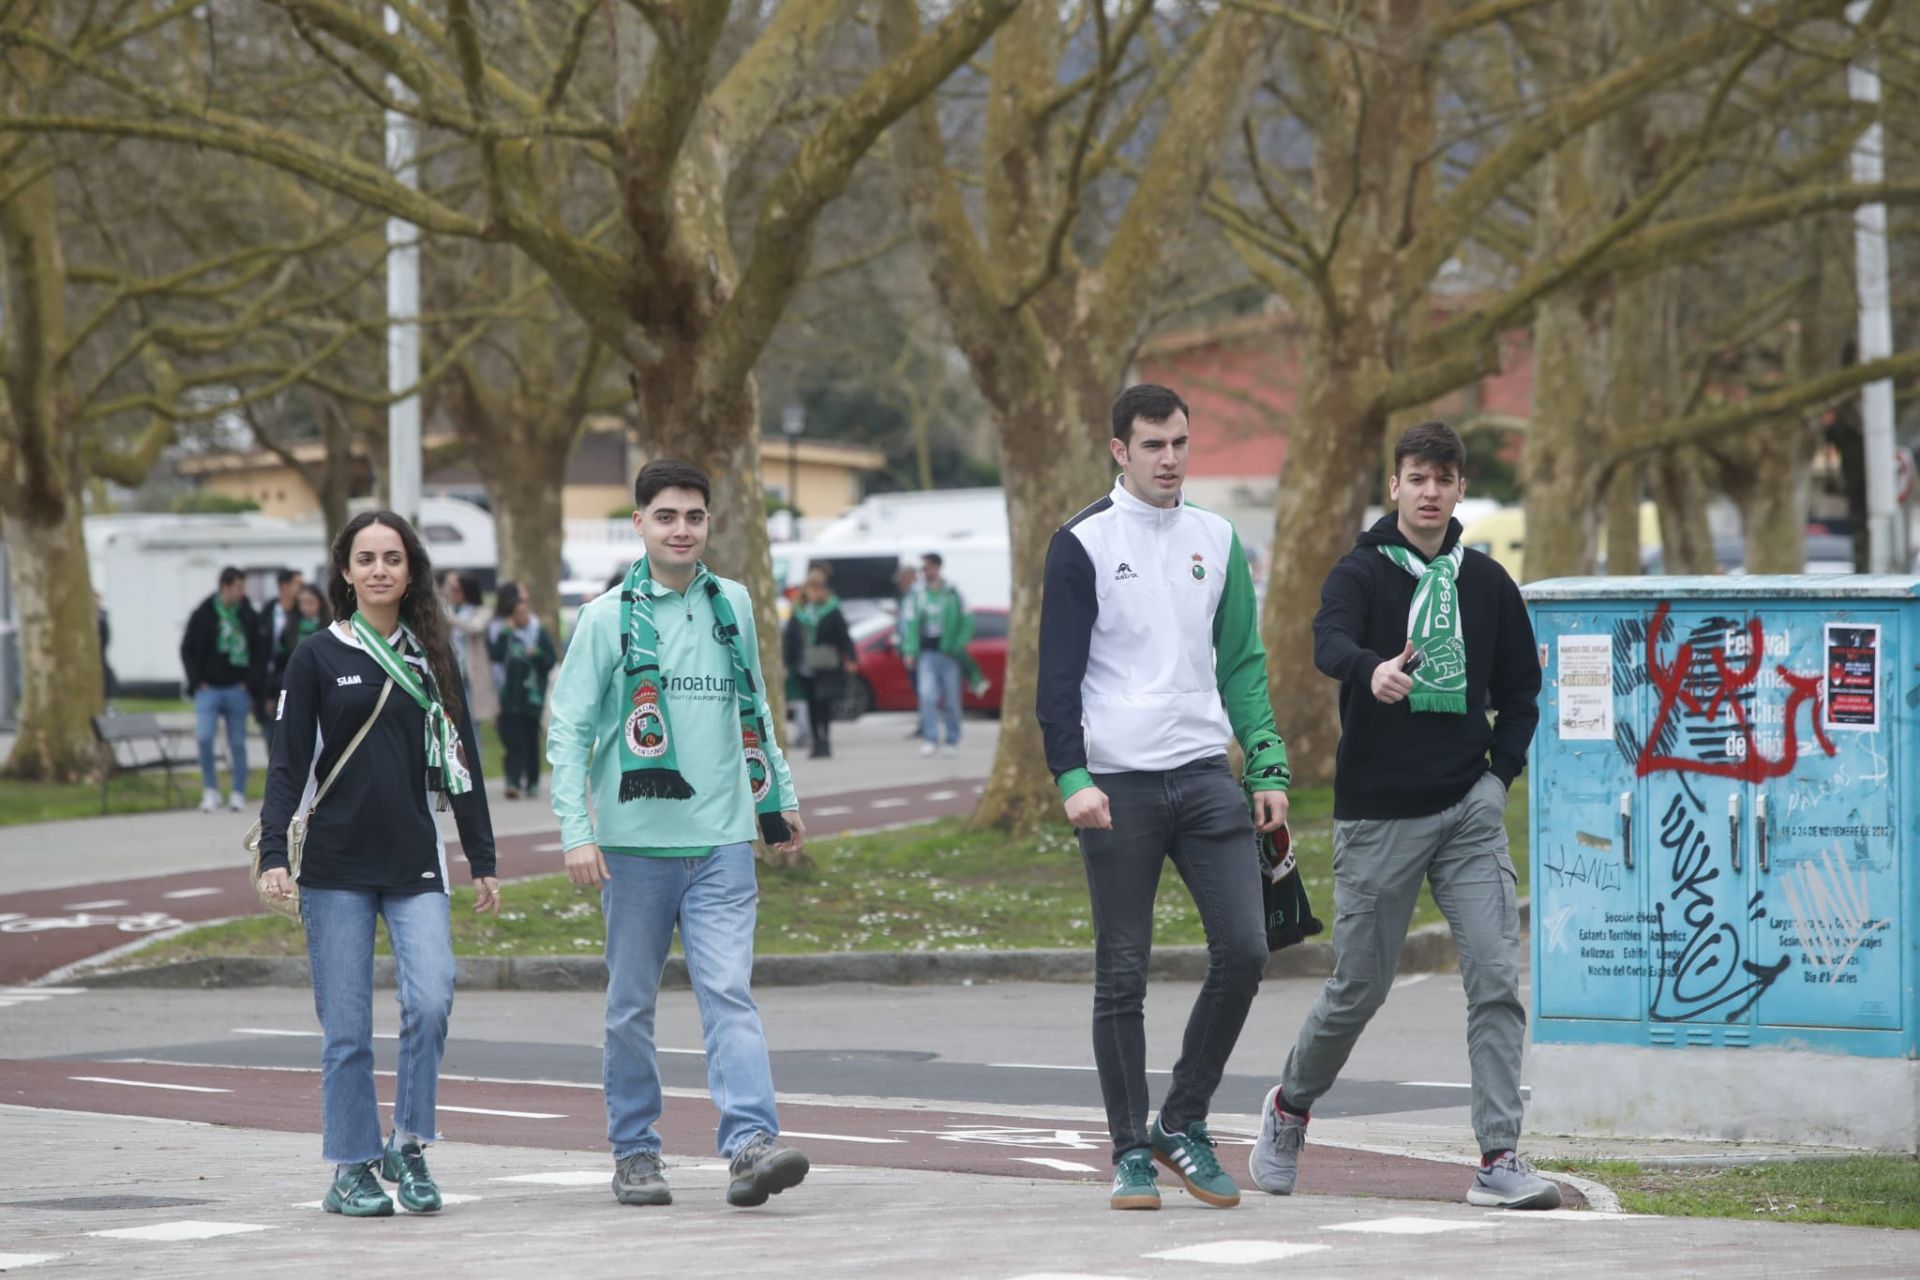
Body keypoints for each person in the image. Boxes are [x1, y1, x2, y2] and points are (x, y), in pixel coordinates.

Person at [1248, 420, 1552, 1210]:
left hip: (1469, 811)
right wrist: (1369, 669)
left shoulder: (1486, 584)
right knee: (1360, 986)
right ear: (1395, 486)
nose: (1428, 491)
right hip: (1378, 816)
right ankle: (1289, 1107)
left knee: (1493, 977)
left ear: (1459, 489)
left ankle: (1499, 1156)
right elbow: (1326, 640)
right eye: (1415, 476)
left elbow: (1521, 693)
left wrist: (1499, 779)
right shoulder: (1363, 572)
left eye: (1443, 479)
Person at [1037, 384, 1291, 1212]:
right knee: (1123, 974)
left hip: (1203, 775)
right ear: (1119, 450)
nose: (1171, 459)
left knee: (1247, 951)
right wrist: (1071, 777)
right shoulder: (1080, 542)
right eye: (1153, 445)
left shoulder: (1216, 539)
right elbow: (1056, 681)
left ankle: (1181, 1121)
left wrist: (1267, 766)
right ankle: (1129, 1152)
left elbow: (1243, 665)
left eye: (1180, 442)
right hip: (1116, 786)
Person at [548, 458, 810, 1210]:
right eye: (666, 516)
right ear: (639, 524)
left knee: (728, 993)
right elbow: (567, 735)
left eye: (694, 516)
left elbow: (754, 707)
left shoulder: (733, 602)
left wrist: (779, 800)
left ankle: (750, 1145)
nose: (682, 529)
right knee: (630, 1005)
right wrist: (576, 833)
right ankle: (634, 1151)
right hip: (632, 850)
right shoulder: (604, 618)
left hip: (723, 841)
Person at [256, 510, 499, 1218]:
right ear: (345, 571)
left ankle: (410, 1143)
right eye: (366, 558)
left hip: (415, 862)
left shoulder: (433, 657)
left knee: (431, 999)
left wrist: (482, 857)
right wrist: (275, 854)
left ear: (410, 569)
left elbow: (465, 768)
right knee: (348, 1030)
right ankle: (352, 1167)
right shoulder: (315, 657)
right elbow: (287, 766)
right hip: (333, 867)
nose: (381, 570)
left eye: (393, 558)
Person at [180, 566, 262, 813]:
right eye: (238, 587)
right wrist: (196, 681)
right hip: (209, 688)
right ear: (225, 586)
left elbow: (259, 649)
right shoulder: (204, 613)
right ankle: (210, 790)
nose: (242, 593)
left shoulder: (247, 614)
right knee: (204, 738)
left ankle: (238, 792)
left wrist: (249, 682)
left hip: (237, 688)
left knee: (237, 743)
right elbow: (187, 648)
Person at [900, 552, 975, 757]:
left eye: (927, 568)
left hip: (949, 654)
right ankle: (930, 738)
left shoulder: (952, 591)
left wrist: (959, 644)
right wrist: (910, 650)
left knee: (951, 699)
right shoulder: (917, 593)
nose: (924, 572)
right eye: (923, 569)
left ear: (937, 567)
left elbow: (967, 619)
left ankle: (952, 739)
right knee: (926, 696)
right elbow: (910, 622)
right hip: (927, 653)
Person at [782, 566, 856, 758]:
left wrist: (850, 657)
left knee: (824, 704)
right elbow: (790, 637)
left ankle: (826, 740)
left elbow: (844, 636)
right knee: (811, 704)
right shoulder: (798, 611)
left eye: (818, 588)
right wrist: (785, 661)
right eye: (811, 588)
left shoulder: (831, 610)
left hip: (826, 665)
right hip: (804, 665)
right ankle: (816, 741)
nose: (815, 592)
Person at [490, 592, 556, 799]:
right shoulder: (506, 633)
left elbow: (550, 661)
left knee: (530, 740)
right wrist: (505, 632)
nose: (522, 618)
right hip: (510, 696)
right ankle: (513, 781)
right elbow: (496, 655)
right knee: (513, 741)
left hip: (532, 696)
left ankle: (533, 781)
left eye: (525, 613)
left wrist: (536, 654)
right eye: (518, 614)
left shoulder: (538, 633)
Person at [442, 571, 499, 726]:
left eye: (457, 590)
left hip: (471, 673)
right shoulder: (448, 609)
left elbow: (475, 627)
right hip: (451, 671)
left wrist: (452, 619)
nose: (453, 594)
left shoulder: (481, 611)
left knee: (472, 723)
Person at [257, 569, 303, 750]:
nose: (302, 589)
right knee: (272, 735)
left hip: (291, 680)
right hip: (268, 682)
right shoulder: (268, 612)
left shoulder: (301, 616)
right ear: (284, 586)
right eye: (298, 584)